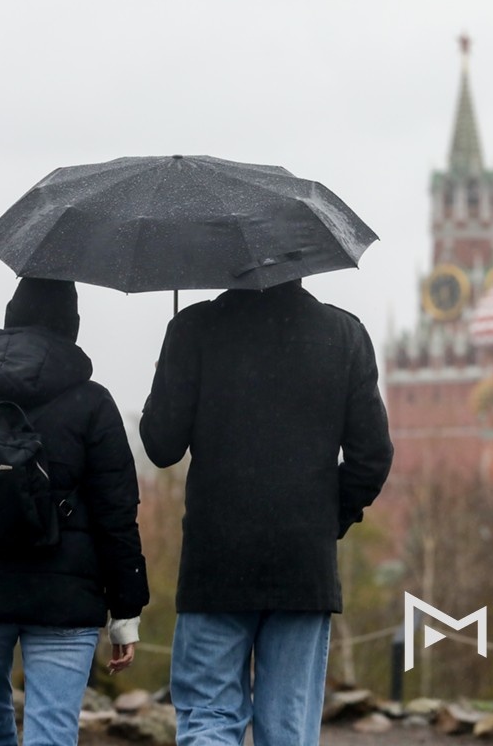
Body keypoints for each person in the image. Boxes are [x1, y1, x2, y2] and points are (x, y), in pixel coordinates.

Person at [140, 278, 393, 745]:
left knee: (208, 717)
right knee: (289, 728)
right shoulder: (344, 335)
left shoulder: (194, 328)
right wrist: (325, 520)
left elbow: (161, 447)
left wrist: (166, 381)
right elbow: (373, 456)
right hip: (303, 563)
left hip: (216, 560)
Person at [0, 277, 148, 746]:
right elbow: (117, 512)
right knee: (53, 733)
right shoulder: (94, 402)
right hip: (65, 599)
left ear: (8, 320)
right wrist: (125, 611)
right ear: (73, 326)